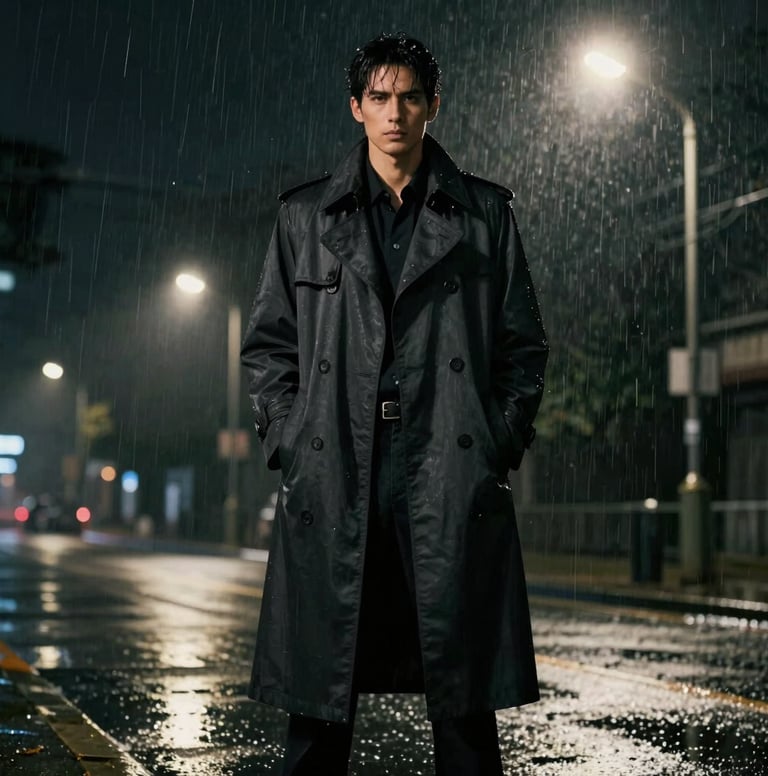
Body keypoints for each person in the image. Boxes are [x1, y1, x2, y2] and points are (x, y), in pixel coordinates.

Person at [240, 32, 548, 776]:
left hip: (446, 463)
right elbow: (268, 349)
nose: (395, 112)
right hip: (338, 464)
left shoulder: (483, 215)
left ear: (433, 106)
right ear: (356, 108)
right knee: (318, 698)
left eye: (410, 96)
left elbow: (523, 349)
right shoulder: (306, 218)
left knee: (464, 698)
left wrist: (493, 441)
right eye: (379, 97)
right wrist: (293, 437)